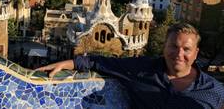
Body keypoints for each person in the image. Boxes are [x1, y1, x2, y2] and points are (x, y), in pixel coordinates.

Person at [37, 23, 224, 109]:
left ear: (196, 53)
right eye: (173, 46)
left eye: (186, 49)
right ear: (164, 47)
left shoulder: (214, 90)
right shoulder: (141, 69)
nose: (179, 54)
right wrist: (67, 63)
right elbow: (99, 62)